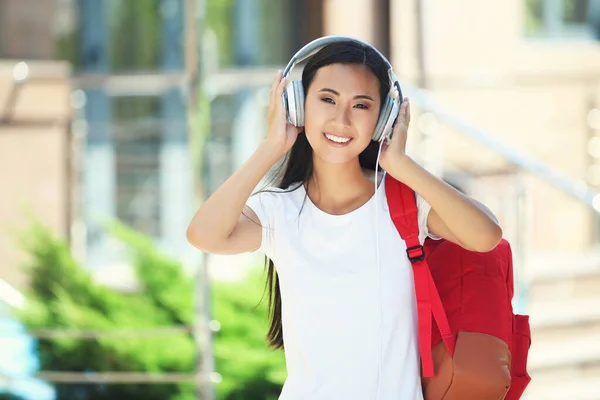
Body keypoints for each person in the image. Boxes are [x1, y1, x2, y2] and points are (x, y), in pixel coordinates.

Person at [186, 37, 502, 400]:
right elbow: (203, 235)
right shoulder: (279, 212)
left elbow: (485, 236)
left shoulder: (403, 203)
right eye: (327, 99)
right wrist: (271, 145)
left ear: (383, 118)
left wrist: (399, 163)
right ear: (297, 105)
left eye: (362, 105)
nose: (342, 119)